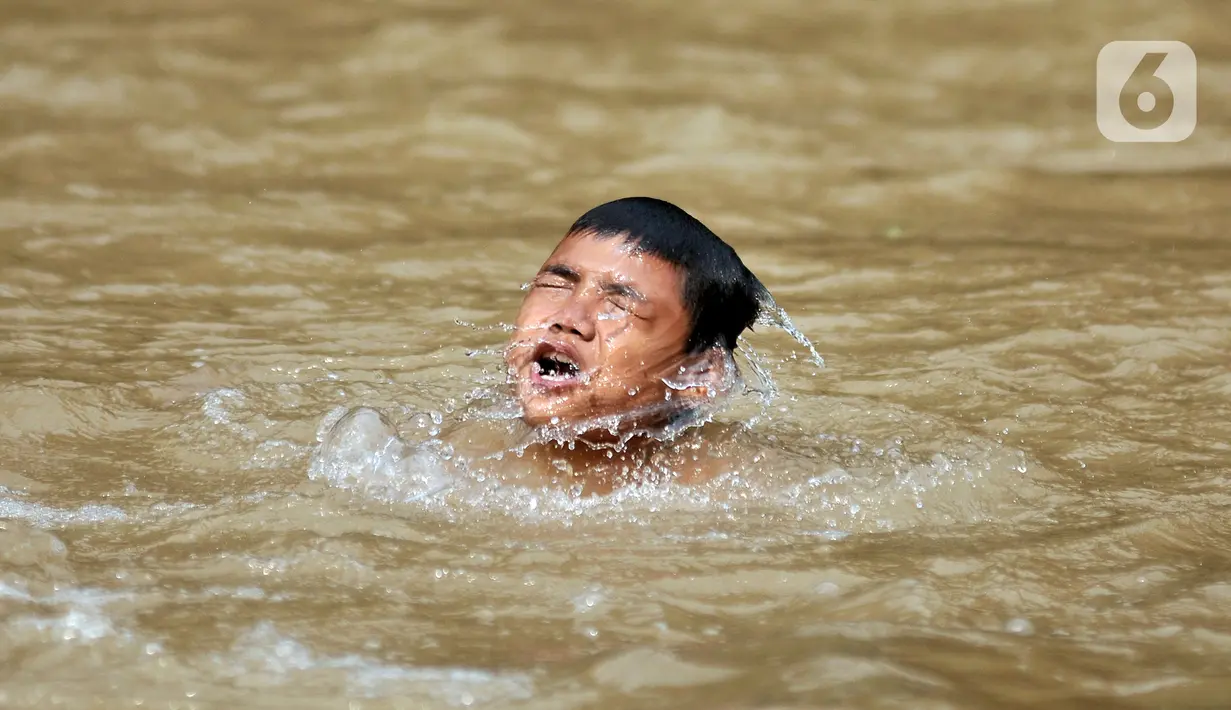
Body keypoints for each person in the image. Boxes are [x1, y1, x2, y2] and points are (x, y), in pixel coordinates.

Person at [321, 197, 774, 494]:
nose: (568, 320)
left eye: (619, 305)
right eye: (556, 285)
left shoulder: (742, 485)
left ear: (700, 374)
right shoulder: (446, 461)